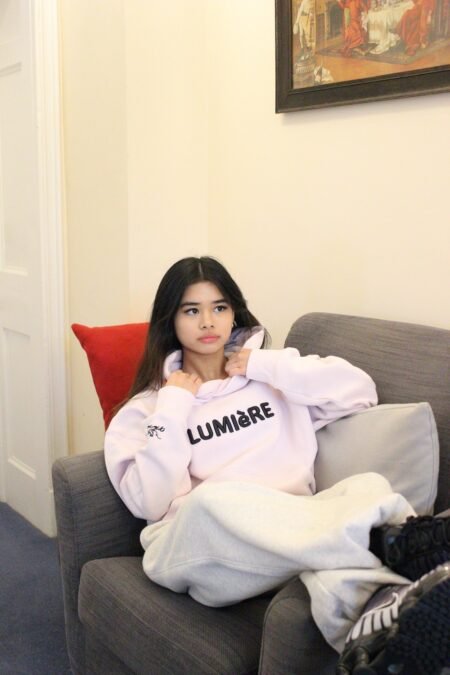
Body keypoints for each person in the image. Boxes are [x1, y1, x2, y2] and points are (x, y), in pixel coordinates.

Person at [105, 256, 450, 674]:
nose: (208, 322)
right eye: (191, 310)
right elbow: (149, 502)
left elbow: (361, 392)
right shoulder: (147, 409)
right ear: (170, 320)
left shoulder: (272, 377)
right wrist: (173, 407)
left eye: (219, 307)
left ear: (235, 313)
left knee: (365, 486)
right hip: (197, 547)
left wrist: (263, 365)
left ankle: (387, 640)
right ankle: (396, 542)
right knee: (212, 502)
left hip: (293, 533)